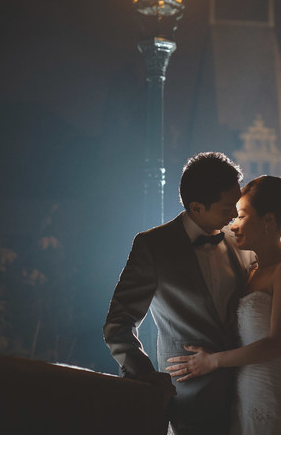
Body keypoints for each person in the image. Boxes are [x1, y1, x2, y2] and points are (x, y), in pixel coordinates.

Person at [104, 152, 256, 434]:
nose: (235, 215)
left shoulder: (241, 239)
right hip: (190, 400)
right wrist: (148, 378)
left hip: (250, 392)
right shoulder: (153, 246)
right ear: (197, 207)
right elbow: (118, 324)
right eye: (227, 208)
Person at [164, 175, 281, 434]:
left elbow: (276, 343)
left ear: (268, 221)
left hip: (275, 393)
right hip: (243, 393)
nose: (233, 226)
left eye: (241, 216)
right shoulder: (249, 269)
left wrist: (212, 361)